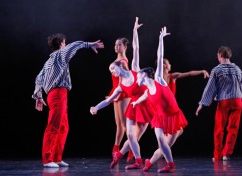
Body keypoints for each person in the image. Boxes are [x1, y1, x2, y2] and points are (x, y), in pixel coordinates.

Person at [90, 17, 154, 170]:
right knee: (131, 135)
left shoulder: (134, 68)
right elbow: (109, 100)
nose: (112, 71)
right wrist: (96, 107)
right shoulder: (120, 87)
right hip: (133, 105)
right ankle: (137, 160)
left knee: (138, 135)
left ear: (120, 66)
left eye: (113, 69)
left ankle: (120, 154)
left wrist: (134, 31)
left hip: (146, 104)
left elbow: (136, 48)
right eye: (111, 69)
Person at [32, 33, 104, 168]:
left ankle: (56, 157)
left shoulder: (48, 62)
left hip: (58, 94)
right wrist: (89, 45)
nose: (65, 45)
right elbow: (74, 45)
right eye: (64, 43)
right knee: (53, 126)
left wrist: (38, 96)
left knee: (63, 126)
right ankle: (47, 159)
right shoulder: (60, 55)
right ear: (61, 44)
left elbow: (38, 78)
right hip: (58, 93)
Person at [131, 26, 188, 173]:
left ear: (144, 75)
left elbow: (160, 55)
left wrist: (160, 39)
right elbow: (146, 95)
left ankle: (149, 162)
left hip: (173, 116)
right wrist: (137, 101)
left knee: (165, 145)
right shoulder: (148, 90)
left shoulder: (158, 80)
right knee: (162, 142)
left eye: (138, 75)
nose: (136, 77)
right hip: (160, 117)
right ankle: (170, 165)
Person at [195, 46, 242, 162]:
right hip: (238, 100)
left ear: (220, 56)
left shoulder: (217, 70)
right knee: (233, 128)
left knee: (219, 129)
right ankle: (226, 154)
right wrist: (239, 95)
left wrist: (202, 103)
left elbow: (210, 88)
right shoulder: (238, 69)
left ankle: (218, 155)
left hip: (224, 101)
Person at [108, 36, 133, 162]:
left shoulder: (123, 60)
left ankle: (131, 148)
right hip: (116, 91)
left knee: (124, 124)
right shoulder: (118, 59)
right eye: (115, 45)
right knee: (118, 124)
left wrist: (116, 93)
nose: (116, 47)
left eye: (119, 45)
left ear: (125, 47)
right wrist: (113, 94)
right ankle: (116, 148)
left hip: (122, 92)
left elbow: (128, 76)